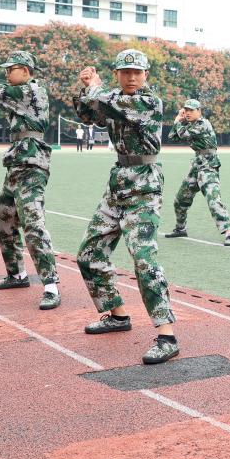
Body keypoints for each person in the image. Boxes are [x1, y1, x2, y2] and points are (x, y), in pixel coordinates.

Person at [74, 49, 179, 365]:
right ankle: (118, 315)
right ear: (117, 74)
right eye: (125, 72)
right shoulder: (113, 99)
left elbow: (104, 102)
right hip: (118, 184)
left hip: (144, 187)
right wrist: (86, 88)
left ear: (146, 75)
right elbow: (89, 115)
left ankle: (167, 336)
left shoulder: (148, 102)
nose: (131, 77)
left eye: (137, 72)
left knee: (144, 259)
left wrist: (95, 88)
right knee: (89, 254)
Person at [0, 51, 60, 310]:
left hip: (31, 164)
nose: (7, 74)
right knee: (3, 221)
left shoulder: (30, 91)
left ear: (26, 71)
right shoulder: (21, 94)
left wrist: (5, 86)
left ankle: (51, 285)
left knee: (33, 225)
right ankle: (17, 275)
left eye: (11, 69)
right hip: (16, 163)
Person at [164, 99, 230, 246]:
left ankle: (228, 232)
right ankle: (180, 228)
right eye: (186, 110)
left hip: (209, 167)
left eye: (191, 110)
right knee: (180, 200)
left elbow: (183, 135)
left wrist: (178, 120)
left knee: (213, 200)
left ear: (199, 111)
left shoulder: (203, 124)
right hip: (196, 166)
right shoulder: (189, 125)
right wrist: (180, 121)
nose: (188, 113)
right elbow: (172, 137)